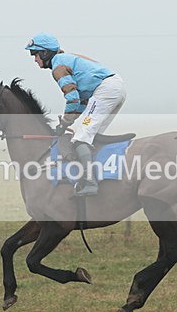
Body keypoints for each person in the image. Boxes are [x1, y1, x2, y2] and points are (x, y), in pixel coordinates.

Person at [25, 32, 127, 196]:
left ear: (45, 53)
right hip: (114, 88)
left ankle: (90, 183)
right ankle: (100, 176)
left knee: (81, 137)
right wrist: (66, 123)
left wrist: (64, 122)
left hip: (106, 90)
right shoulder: (64, 60)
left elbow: (72, 99)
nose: (34, 59)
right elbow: (81, 103)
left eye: (34, 54)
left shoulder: (58, 67)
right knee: (92, 136)